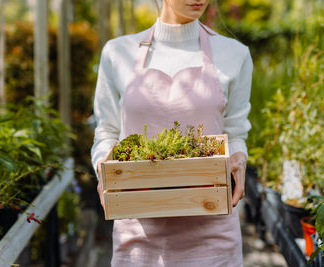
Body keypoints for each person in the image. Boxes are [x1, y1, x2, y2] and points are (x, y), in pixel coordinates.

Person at [91, 0, 253, 266]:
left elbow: (235, 132)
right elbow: (107, 131)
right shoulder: (118, 52)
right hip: (138, 231)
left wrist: (239, 158)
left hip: (211, 228)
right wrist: (104, 168)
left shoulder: (234, 54)